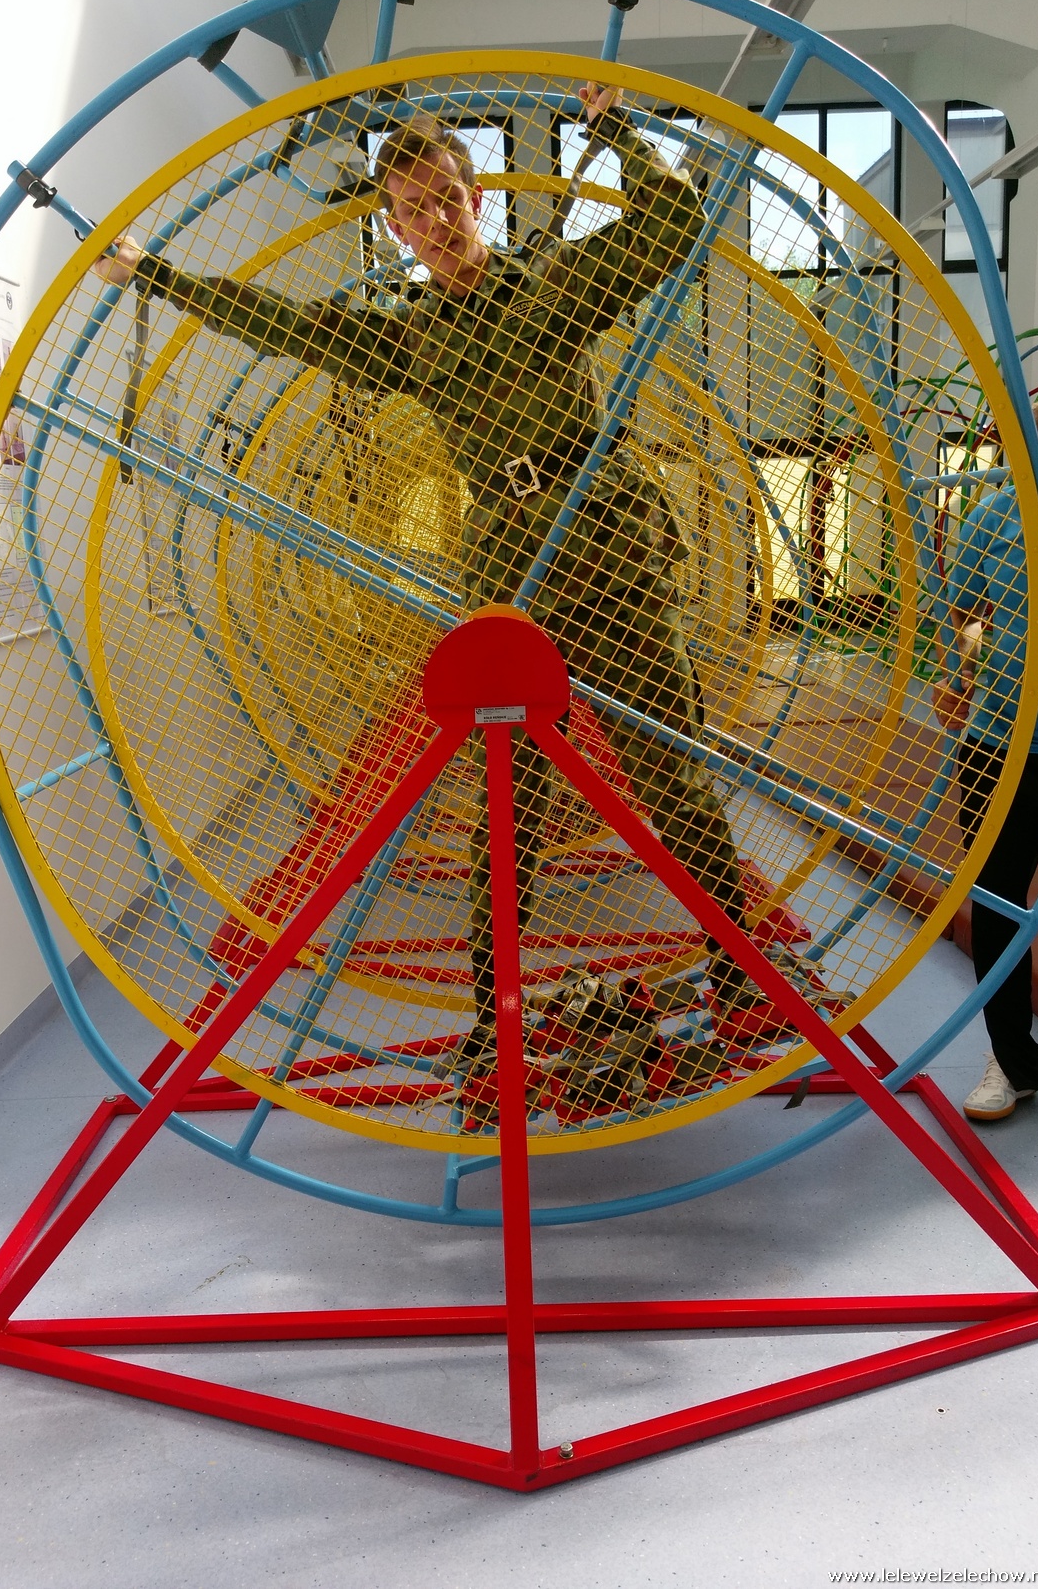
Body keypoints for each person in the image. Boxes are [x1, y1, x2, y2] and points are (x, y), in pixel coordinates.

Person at [94, 87, 794, 1093]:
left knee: (667, 774)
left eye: (446, 198)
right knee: (507, 802)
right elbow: (286, 325)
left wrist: (613, 129)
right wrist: (156, 275)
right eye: (413, 209)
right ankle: (492, 1012)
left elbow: (672, 224)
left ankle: (741, 968)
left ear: (478, 198)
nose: (434, 220)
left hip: (611, 546)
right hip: (510, 575)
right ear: (395, 228)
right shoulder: (412, 338)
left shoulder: (555, 285)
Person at [931, 394, 1038, 1121]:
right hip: (998, 744)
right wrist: (958, 676)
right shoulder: (993, 518)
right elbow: (967, 617)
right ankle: (1012, 1061)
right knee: (996, 905)